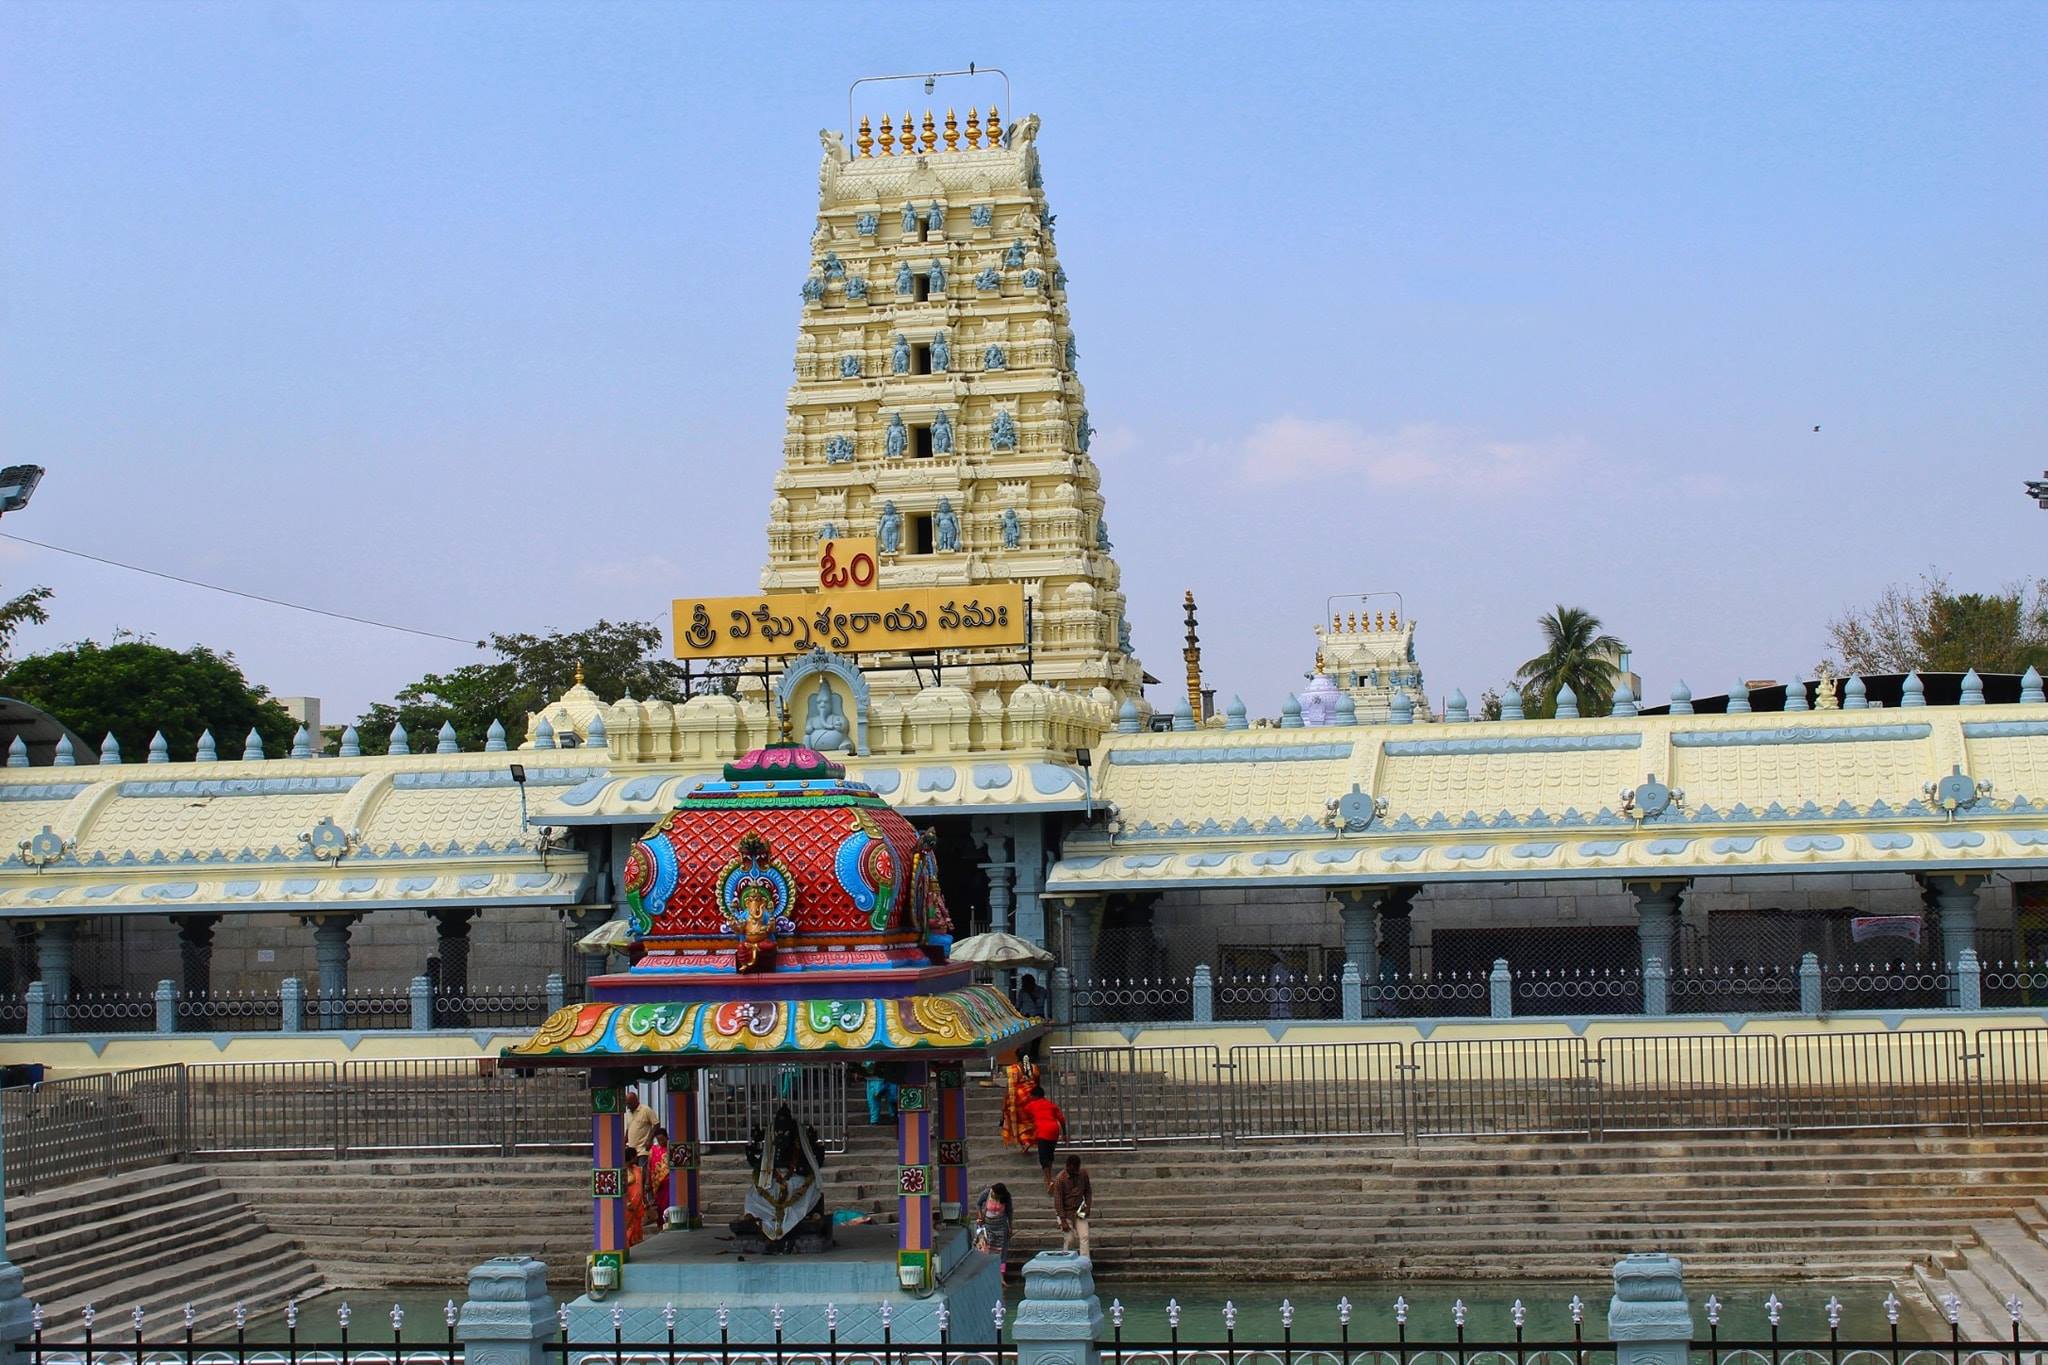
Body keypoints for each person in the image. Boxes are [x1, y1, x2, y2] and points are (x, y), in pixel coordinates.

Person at [1021, 1083, 1067, 1189]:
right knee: (1049, 1155)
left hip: (1043, 1131)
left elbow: (1022, 1112)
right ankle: (1048, 1177)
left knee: (1043, 1158)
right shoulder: (1051, 1104)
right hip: (1054, 1131)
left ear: (1036, 1096)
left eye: (1031, 1096)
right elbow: (1062, 1120)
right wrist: (1064, 1134)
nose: (1030, 1098)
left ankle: (1048, 1180)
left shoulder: (1032, 1105)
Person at [1050, 1154, 1091, 1257]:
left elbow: (1088, 1192)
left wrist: (1088, 1207)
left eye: (1077, 1169)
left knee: (1084, 1236)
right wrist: (1063, 1220)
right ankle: (1067, 1261)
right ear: (1067, 1166)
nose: (1075, 1172)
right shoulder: (1060, 1179)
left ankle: (1085, 1263)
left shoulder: (1083, 1174)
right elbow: (1058, 1201)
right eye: (1073, 1170)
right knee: (1070, 1239)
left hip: (1079, 1209)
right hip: (1065, 1212)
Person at [1000, 1052, 1041, 1151]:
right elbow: (1038, 1083)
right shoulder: (1035, 1068)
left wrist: (1005, 1104)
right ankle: (1030, 1141)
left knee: (1019, 1123)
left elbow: (1009, 1088)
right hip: (1032, 1097)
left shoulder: (1013, 1069)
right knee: (1031, 1122)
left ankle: (1025, 1142)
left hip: (1018, 1098)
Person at [975, 1182, 1015, 1280]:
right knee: (987, 1249)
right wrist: (980, 1215)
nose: (995, 1196)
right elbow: (978, 1203)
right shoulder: (987, 1193)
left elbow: (1009, 1212)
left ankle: (1001, 1277)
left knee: (1002, 1252)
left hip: (1001, 1227)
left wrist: (1010, 1226)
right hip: (989, 1227)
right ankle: (988, 1273)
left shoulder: (1006, 1197)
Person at [624, 1087, 657, 1157]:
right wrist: (624, 1140)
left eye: (629, 1104)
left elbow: (656, 1124)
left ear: (635, 1101)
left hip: (643, 1150)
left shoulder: (646, 1110)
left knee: (642, 1167)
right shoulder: (629, 1113)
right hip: (631, 1151)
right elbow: (629, 1128)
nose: (628, 1107)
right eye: (627, 1104)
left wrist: (649, 1140)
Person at [647, 1126, 671, 1224]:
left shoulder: (671, 1149)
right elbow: (649, 1168)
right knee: (659, 1206)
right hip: (657, 1184)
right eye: (658, 1140)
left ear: (667, 1138)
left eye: (662, 1139)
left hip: (669, 1182)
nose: (660, 1141)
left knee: (668, 1204)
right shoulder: (653, 1150)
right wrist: (648, 1182)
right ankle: (660, 1225)